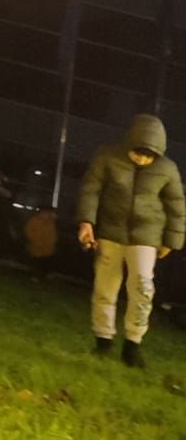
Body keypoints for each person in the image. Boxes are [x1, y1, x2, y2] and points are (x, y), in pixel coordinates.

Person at [77, 112, 185, 367]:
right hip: (109, 233)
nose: (143, 159)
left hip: (147, 238)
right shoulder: (107, 156)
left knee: (142, 289)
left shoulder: (167, 169)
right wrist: (86, 222)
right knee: (105, 288)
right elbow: (91, 189)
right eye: (139, 152)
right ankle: (103, 339)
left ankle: (133, 344)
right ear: (129, 143)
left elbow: (176, 206)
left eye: (150, 155)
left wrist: (171, 241)